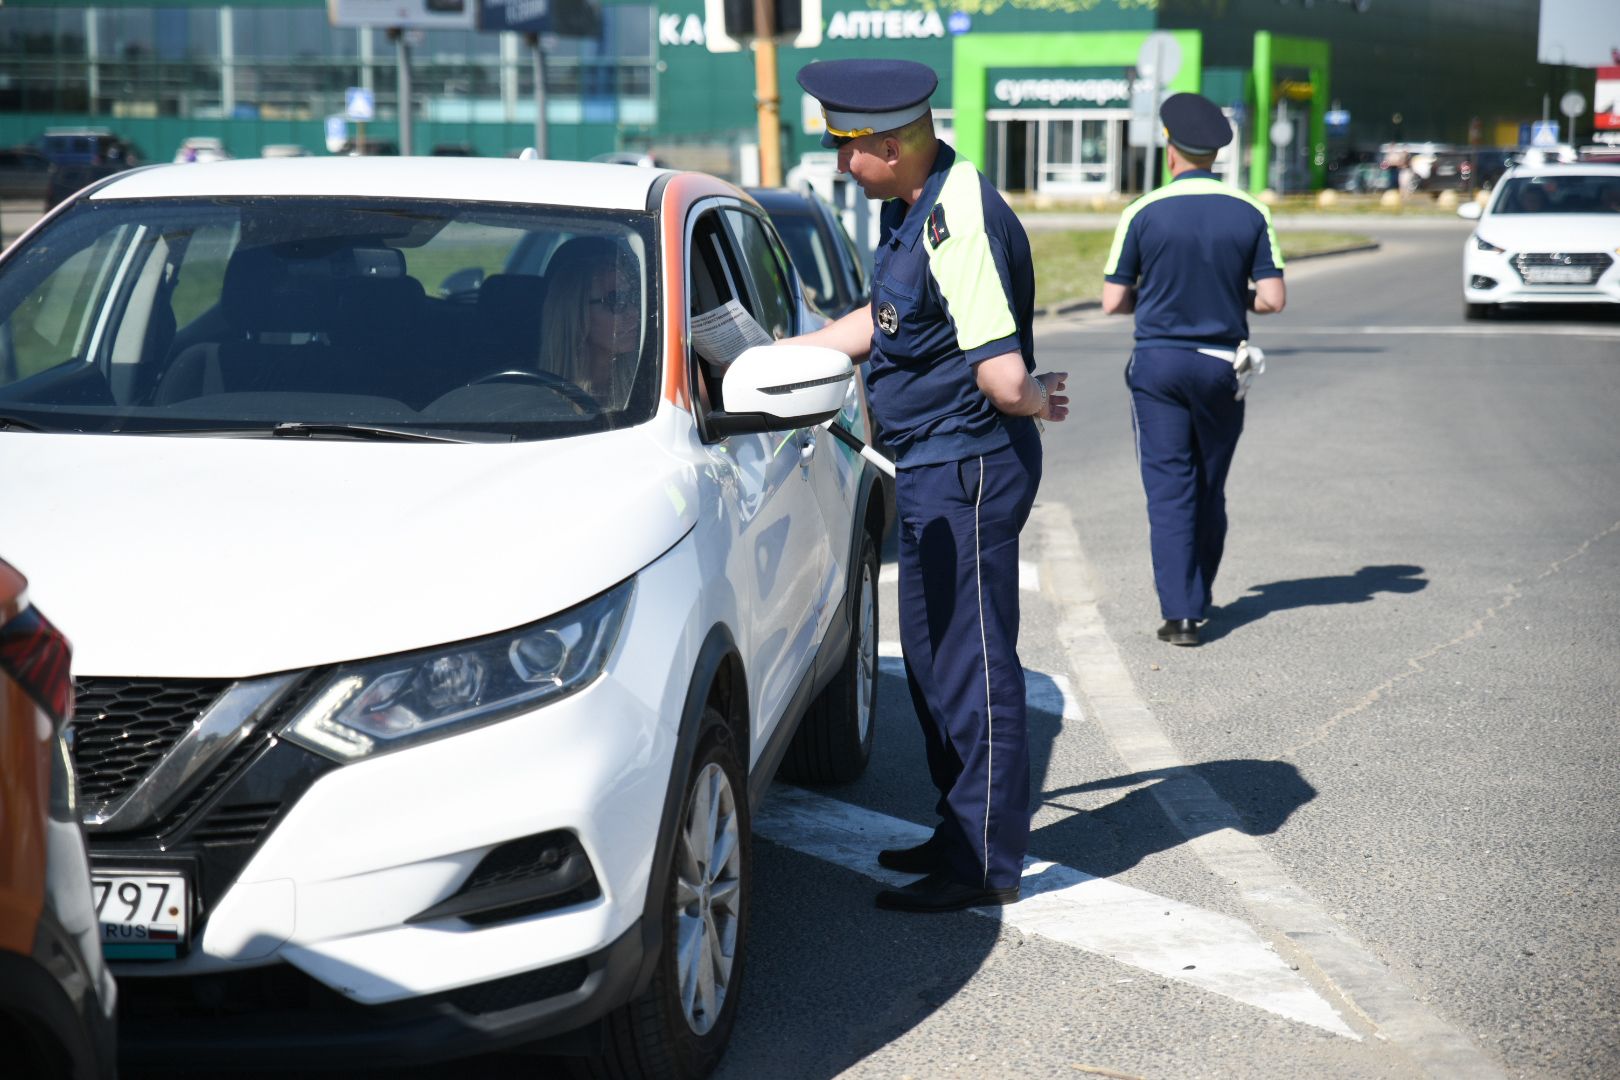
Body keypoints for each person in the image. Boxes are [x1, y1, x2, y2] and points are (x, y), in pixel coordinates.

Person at [788, 57, 1069, 914]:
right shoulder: (916, 208)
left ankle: (985, 862)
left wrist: (1036, 401)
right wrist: (783, 357)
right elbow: (884, 326)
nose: (841, 165)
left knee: (974, 666)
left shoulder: (957, 221)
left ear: (891, 144)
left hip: (970, 465)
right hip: (933, 466)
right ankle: (959, 829)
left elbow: (1004, 374)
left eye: (847, 149)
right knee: (934, 661)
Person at [1102, 92, 1286, 648]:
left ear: (1170, 149)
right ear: (1216, 155)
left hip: (1157, 364)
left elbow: (1113, 301)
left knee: (1168, 490)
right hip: (1218, 366)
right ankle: (1200, 593)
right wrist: (1232, 300)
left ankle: (1179, 614)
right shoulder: (1252, 212)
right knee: (1209, 486)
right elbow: (1273, 299)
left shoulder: (1142, 212)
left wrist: (1152, 298)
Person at [538, 237, 641, 408]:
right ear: (574, 313)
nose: (635, 313)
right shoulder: (532, 403)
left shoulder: (650, 391)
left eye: (633, 298)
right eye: (615, 300)